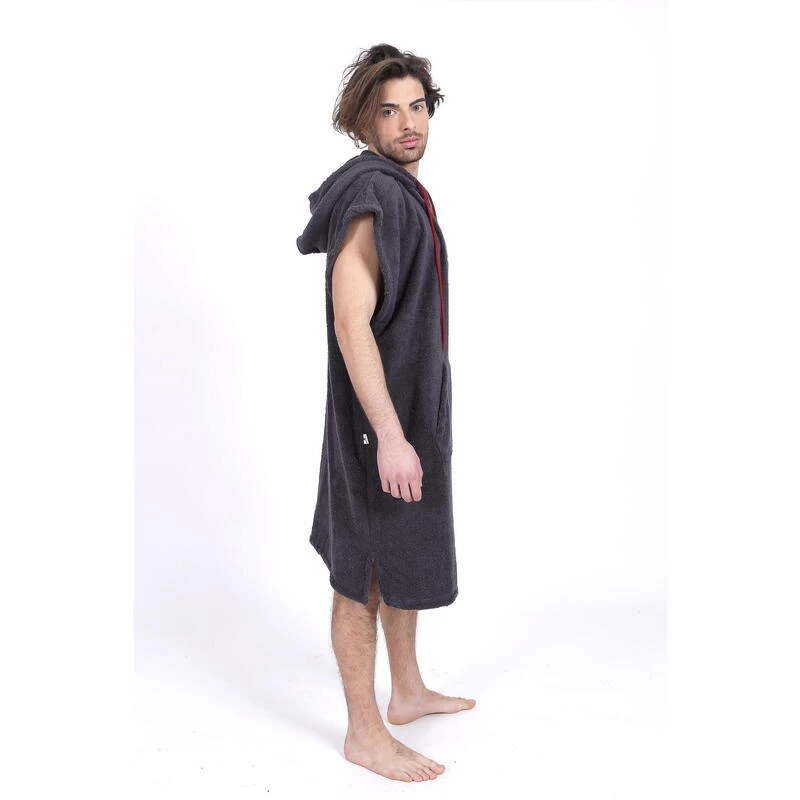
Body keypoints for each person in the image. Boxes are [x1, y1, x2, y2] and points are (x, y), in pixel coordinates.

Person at [296, 44, 475, 783]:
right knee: (362, 574)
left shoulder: (401, 190)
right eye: (388, 110)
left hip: (411, 414)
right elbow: (351, 321)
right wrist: (391, 436)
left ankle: (406, 692)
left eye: (417, 107)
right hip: (380, 427)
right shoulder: (372, 195)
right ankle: (364, 732)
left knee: (403, 549)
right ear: (362, 122)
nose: (408, 123)